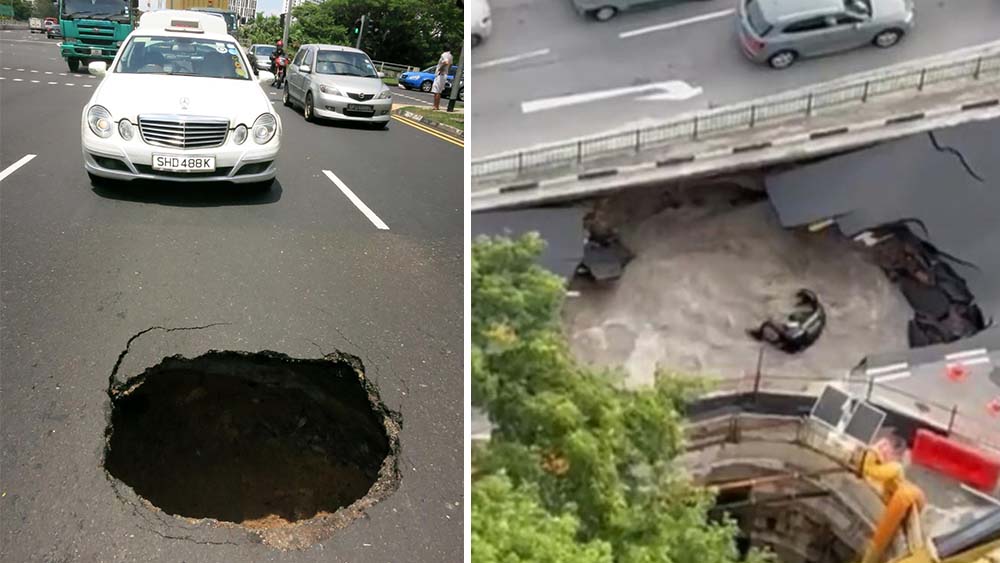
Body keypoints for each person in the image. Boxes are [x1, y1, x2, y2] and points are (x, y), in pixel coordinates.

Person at [747, 289, 826, 353]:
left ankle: (759, 336)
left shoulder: (800, 317)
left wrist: (781, 327)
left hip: (798, 342)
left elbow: (793, 329)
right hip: (809, 338)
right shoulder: (820, 312)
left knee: (767, 324)